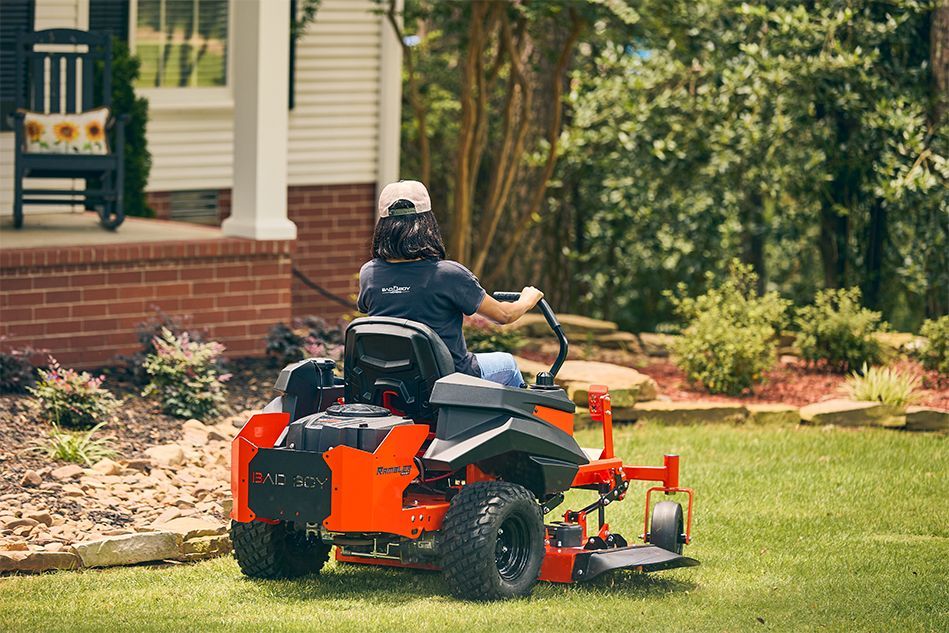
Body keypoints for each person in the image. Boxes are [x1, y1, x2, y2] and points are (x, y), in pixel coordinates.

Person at [357, 180, 543, 387]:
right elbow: (504, 315)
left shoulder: (369, 273)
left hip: (392, 379)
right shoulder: (448, 275)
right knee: (507, 364)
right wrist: (527, 300)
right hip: (449, 378)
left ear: (383, 226)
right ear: (427, 223)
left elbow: (368, 307)